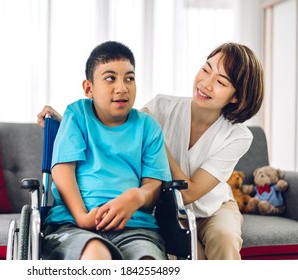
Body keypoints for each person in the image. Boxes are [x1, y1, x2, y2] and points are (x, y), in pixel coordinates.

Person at [37, 42, 264, 260]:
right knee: (192, 258)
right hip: (168, 210)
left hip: (211, 207)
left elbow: (188, 192)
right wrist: (62, 122)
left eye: (221, 82)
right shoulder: (161, 106)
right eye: (206, 69)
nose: (206, 83)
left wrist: (156, 138)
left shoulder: (238, 135)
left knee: (224, 240)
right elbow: (116, 115)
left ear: (236, 96)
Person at [41, 41, 172, 260]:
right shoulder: (77, 115)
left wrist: (137, 196)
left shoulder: (148, 127)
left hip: (135, 228)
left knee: (148, 262)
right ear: (89, 88)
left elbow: (154, 186)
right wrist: (82, 217)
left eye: (129, 78)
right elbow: (62, 171)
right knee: (96, 255)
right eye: (110, 78)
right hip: (73, 225)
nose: (122, 87)